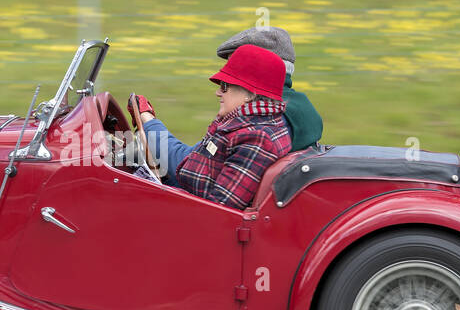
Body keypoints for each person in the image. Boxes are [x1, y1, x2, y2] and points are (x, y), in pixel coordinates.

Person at [135, 26, 322, 186]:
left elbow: (187, 166)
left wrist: (148, 121)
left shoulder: (260, 119)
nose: (222, 87)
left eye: (236, 66)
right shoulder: (298, 109)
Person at [150, 44, 292, 209]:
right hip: (189, 198)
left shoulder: (256, 138)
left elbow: (219, 209)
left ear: (250, 94)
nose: (218, 93)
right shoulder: (248, 124)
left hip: (198, 219)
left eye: (225, 86)